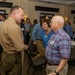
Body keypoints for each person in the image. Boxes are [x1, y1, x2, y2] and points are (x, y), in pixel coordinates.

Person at [0, 5, 28, 75]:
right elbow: (19, 47)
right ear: (15, 14)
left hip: (4, 54)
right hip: (13, 57)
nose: (22, 17)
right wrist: (26, 46)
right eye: (21, 15)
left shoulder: (3, 24)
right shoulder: (14, 27)